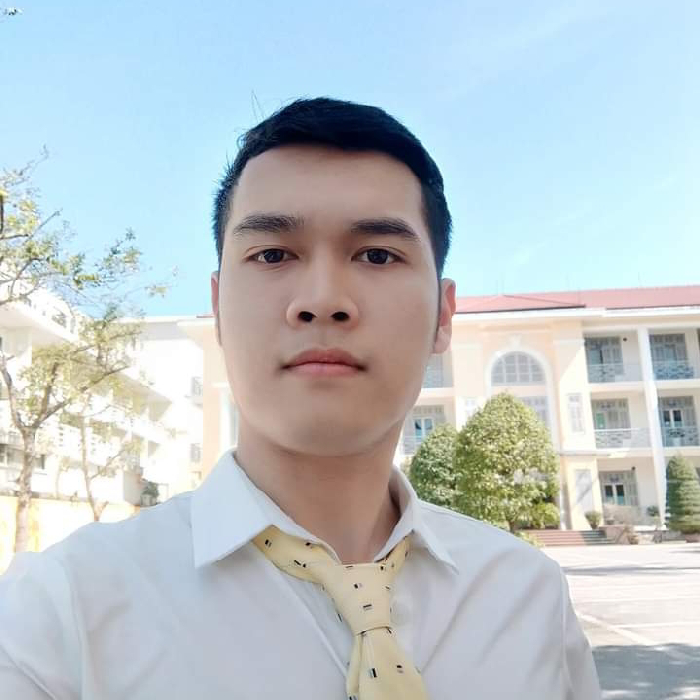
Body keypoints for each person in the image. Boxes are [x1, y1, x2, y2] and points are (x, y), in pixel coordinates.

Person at [0, 97, 601, 699]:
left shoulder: (530, 599)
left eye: (377, 254)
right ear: (218, 307)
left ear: (444, 316)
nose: (321, 300)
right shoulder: (60, 615)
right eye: (272, 254)